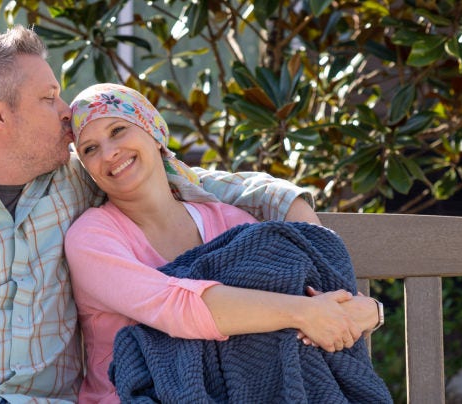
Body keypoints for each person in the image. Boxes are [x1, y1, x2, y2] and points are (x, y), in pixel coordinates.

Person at [0, 26, 322, 403]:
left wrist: (286, 201)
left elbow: (182, 177)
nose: (67, 113)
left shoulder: (78, 179)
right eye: (50, 98)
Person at [64, 83, 385, 403]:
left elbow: (299, 286)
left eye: (118, 130)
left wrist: (369, 310)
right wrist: (305, 314)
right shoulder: (92, 238)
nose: (109, 153)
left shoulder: (228, 221)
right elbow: (174, 306)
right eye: (90, 149)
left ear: (154, 130)